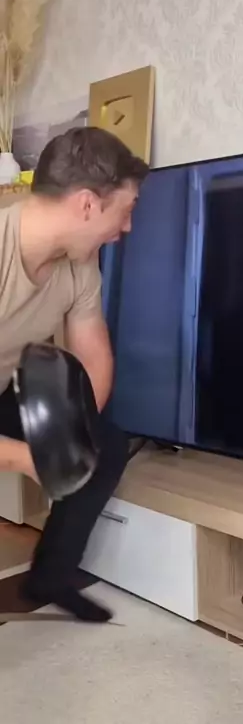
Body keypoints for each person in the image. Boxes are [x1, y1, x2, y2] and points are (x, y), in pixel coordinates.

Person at [0, 126, 149, 621]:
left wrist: (74, 440)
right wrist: (28, 458)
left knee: (104, 444)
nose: (126, 227)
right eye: (124, 211)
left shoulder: (79, 262)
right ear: (87, 204)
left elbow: (93, 354)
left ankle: (52, 575)